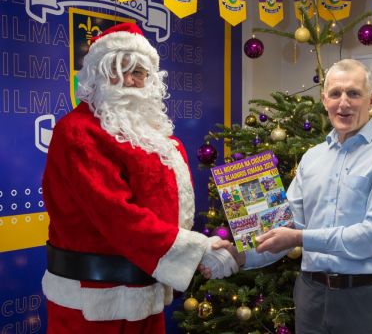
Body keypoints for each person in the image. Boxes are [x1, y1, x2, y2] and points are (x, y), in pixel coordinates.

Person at [41, 22, 238, 334]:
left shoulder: (157, 136)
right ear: (97, 74)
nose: (129, 81)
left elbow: (167, 211)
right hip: (93, 303)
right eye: (119, 69)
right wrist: (197, 249)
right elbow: (116, 214)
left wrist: (201, 247)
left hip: (146, 292)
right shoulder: (78, 132)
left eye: (139, 72)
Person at [206, 59, 372, 333]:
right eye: (335, 93)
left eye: (354, 93)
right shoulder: (312, 158)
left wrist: (300, 239)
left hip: (366, 298)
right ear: (324, 99)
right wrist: (239, 255)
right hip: (311, 297)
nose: (344, 103)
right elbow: (285, 226)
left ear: (371, 99)